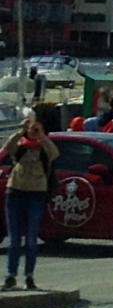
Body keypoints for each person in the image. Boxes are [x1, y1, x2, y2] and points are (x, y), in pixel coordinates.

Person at [4, 115, 58, 291]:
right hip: (16, 193)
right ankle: (11, 275)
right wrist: (21, 131)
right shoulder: (20, 147)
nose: (32, 132)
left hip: (36, 195)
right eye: (31, 129)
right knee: (14, 239)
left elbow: (55, 153)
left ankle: (29, 275)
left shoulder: (44, 150)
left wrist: (41, 136)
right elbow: (7, 148)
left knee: (31, 239)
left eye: (36, 129)